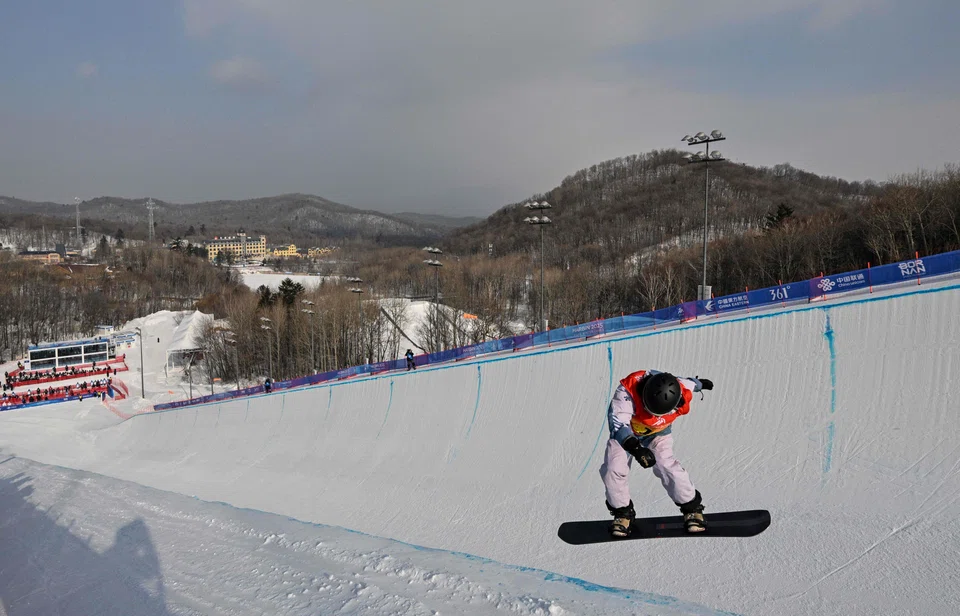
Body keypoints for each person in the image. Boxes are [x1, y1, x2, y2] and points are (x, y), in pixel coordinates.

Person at [599, 370, 714, 537]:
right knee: (613, 468)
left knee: (665, 464)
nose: (652, 415)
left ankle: (691, 508)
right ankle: (622, 513)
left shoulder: (682, 391)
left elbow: (691, 383)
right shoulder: (626, 392)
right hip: (628, 433)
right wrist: (636, 449)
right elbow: (617, 424)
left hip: (658, 432)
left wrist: (701, 384)